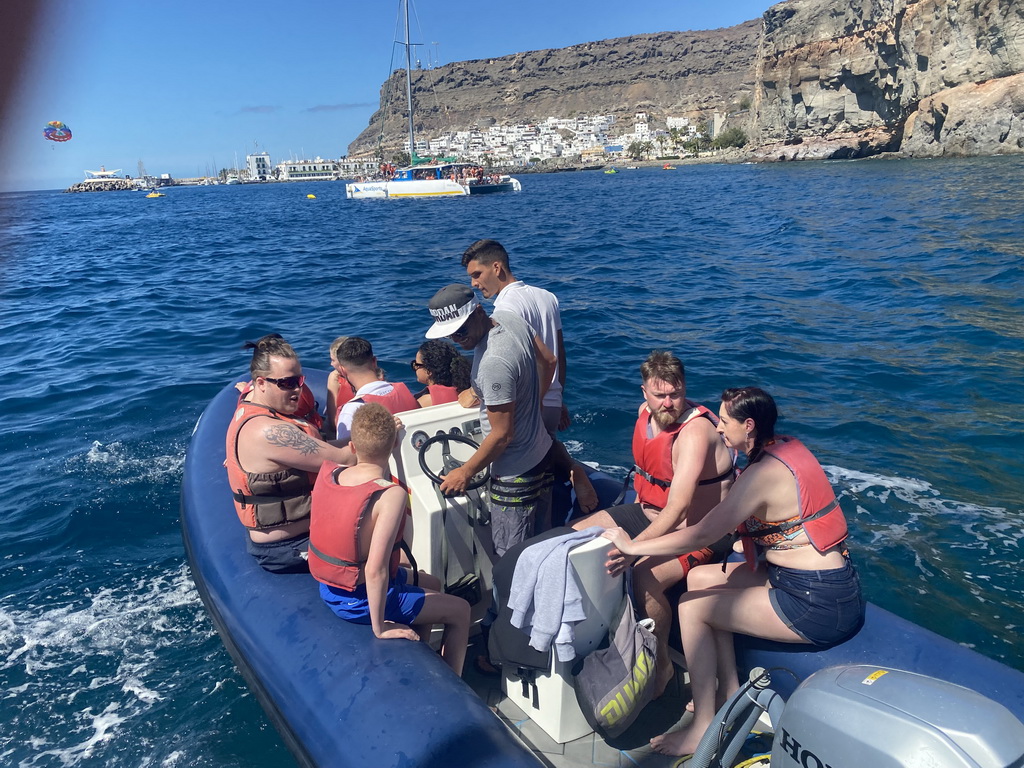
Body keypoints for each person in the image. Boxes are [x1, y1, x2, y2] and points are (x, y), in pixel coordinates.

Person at [603, 387, 864, 757]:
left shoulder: (762, 473)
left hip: (817, 600)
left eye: (725, 422)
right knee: (698, 579)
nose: (719, 429)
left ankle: (704, 727)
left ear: (749, 425)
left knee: (692, 608)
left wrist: (633, 548)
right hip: (813, 582)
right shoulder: (783, 448)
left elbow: (703, 534)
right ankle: (729, 692)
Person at [573, 350, 736, 695]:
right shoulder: (645, 414)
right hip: (647, 511)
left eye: (675, 394)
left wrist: (635, 550)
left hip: (699, 530)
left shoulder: (694, 433)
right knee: (575, 538)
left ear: (684, 389)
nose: (668, 403)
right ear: (644, 393)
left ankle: (661, 669)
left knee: (646, 577)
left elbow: (678, 510)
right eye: (659, 395)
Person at [309, 403, 470, 675]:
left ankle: (423, 661)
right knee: (461, 611)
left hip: (331, 588)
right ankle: (453, 685)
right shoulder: (391, 495)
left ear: (352, 447)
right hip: (359, 600)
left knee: (433, 582)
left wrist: (392, 452)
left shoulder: (334, 472)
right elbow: (376, 569)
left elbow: (372, 481)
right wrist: (380, 627)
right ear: (395, 441)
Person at [462, 238, 597, 516]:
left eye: (477, 274)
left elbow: (508, 360)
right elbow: (558, 353)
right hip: (552, 395)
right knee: (546, 451)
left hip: (529, 401)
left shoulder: (504, 309)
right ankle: (571, 478)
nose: (474, 284)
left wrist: (476, 392)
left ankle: (572, 471)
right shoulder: (547, 296)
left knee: (530, 467)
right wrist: (558, 395)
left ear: (496, 267)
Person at [424, 283, 555, 558]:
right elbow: (549, 360)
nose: (457, 339)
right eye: (450, 334)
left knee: (511, 558)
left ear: (478, 311)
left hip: (514, 473)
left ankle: (509, 603)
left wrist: (465, 472)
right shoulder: (510, 318)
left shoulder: (494, 362)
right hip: (541, 452)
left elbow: (502, 435)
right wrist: (533, 401)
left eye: (461, 330)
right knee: (542, 547)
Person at [224, 335, 355, 573]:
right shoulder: (268, 431)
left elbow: (326, 447)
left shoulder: (253, 409)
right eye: (287, 383)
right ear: (261, 383)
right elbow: (347, 459)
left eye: (299, 380)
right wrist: (383, 439)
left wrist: (356, 439)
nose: (297, 389)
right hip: (289, 548)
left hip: (297, 535)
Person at [334, 336, 419, 443]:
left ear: (342, 370)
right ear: (374, 361)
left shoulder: (351, 410)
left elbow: (347, 457)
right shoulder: (403, 390)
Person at [411, 339, 472, 407]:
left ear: (429, 371)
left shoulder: (424, 402)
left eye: (416, 365)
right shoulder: (468, 391)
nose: (415, 367)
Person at [325, 336, 356, 438]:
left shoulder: (335, 378)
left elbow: (332, 420)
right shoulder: (335, 378)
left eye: (333, 360)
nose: (331, 364)